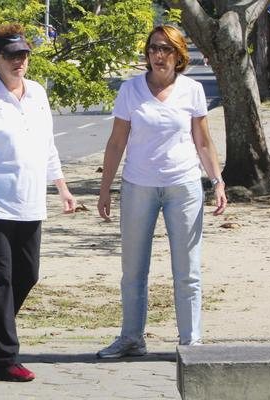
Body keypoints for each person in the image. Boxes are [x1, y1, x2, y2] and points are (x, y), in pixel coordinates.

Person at [96, 25, 227, 359]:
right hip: (138, 186)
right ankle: (131, 338)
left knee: (187, 271)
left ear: (179, 54)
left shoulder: (193, 90)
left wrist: (217, 181)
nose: (159, 55)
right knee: (133, 270)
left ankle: (190, 341)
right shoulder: (130, 90)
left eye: (167, 49)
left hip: (183, 187)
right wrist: (105, 188)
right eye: (154, 48)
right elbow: (116, 142)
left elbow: (203, 140)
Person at [0, 23, 76, 382]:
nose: (19, 61)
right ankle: (5, 359)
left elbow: (48, 145)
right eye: (11, 55)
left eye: (24, 54)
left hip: (29, 201)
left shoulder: (38, 93)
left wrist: (62, 185)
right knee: (2, 281)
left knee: (27, 274)